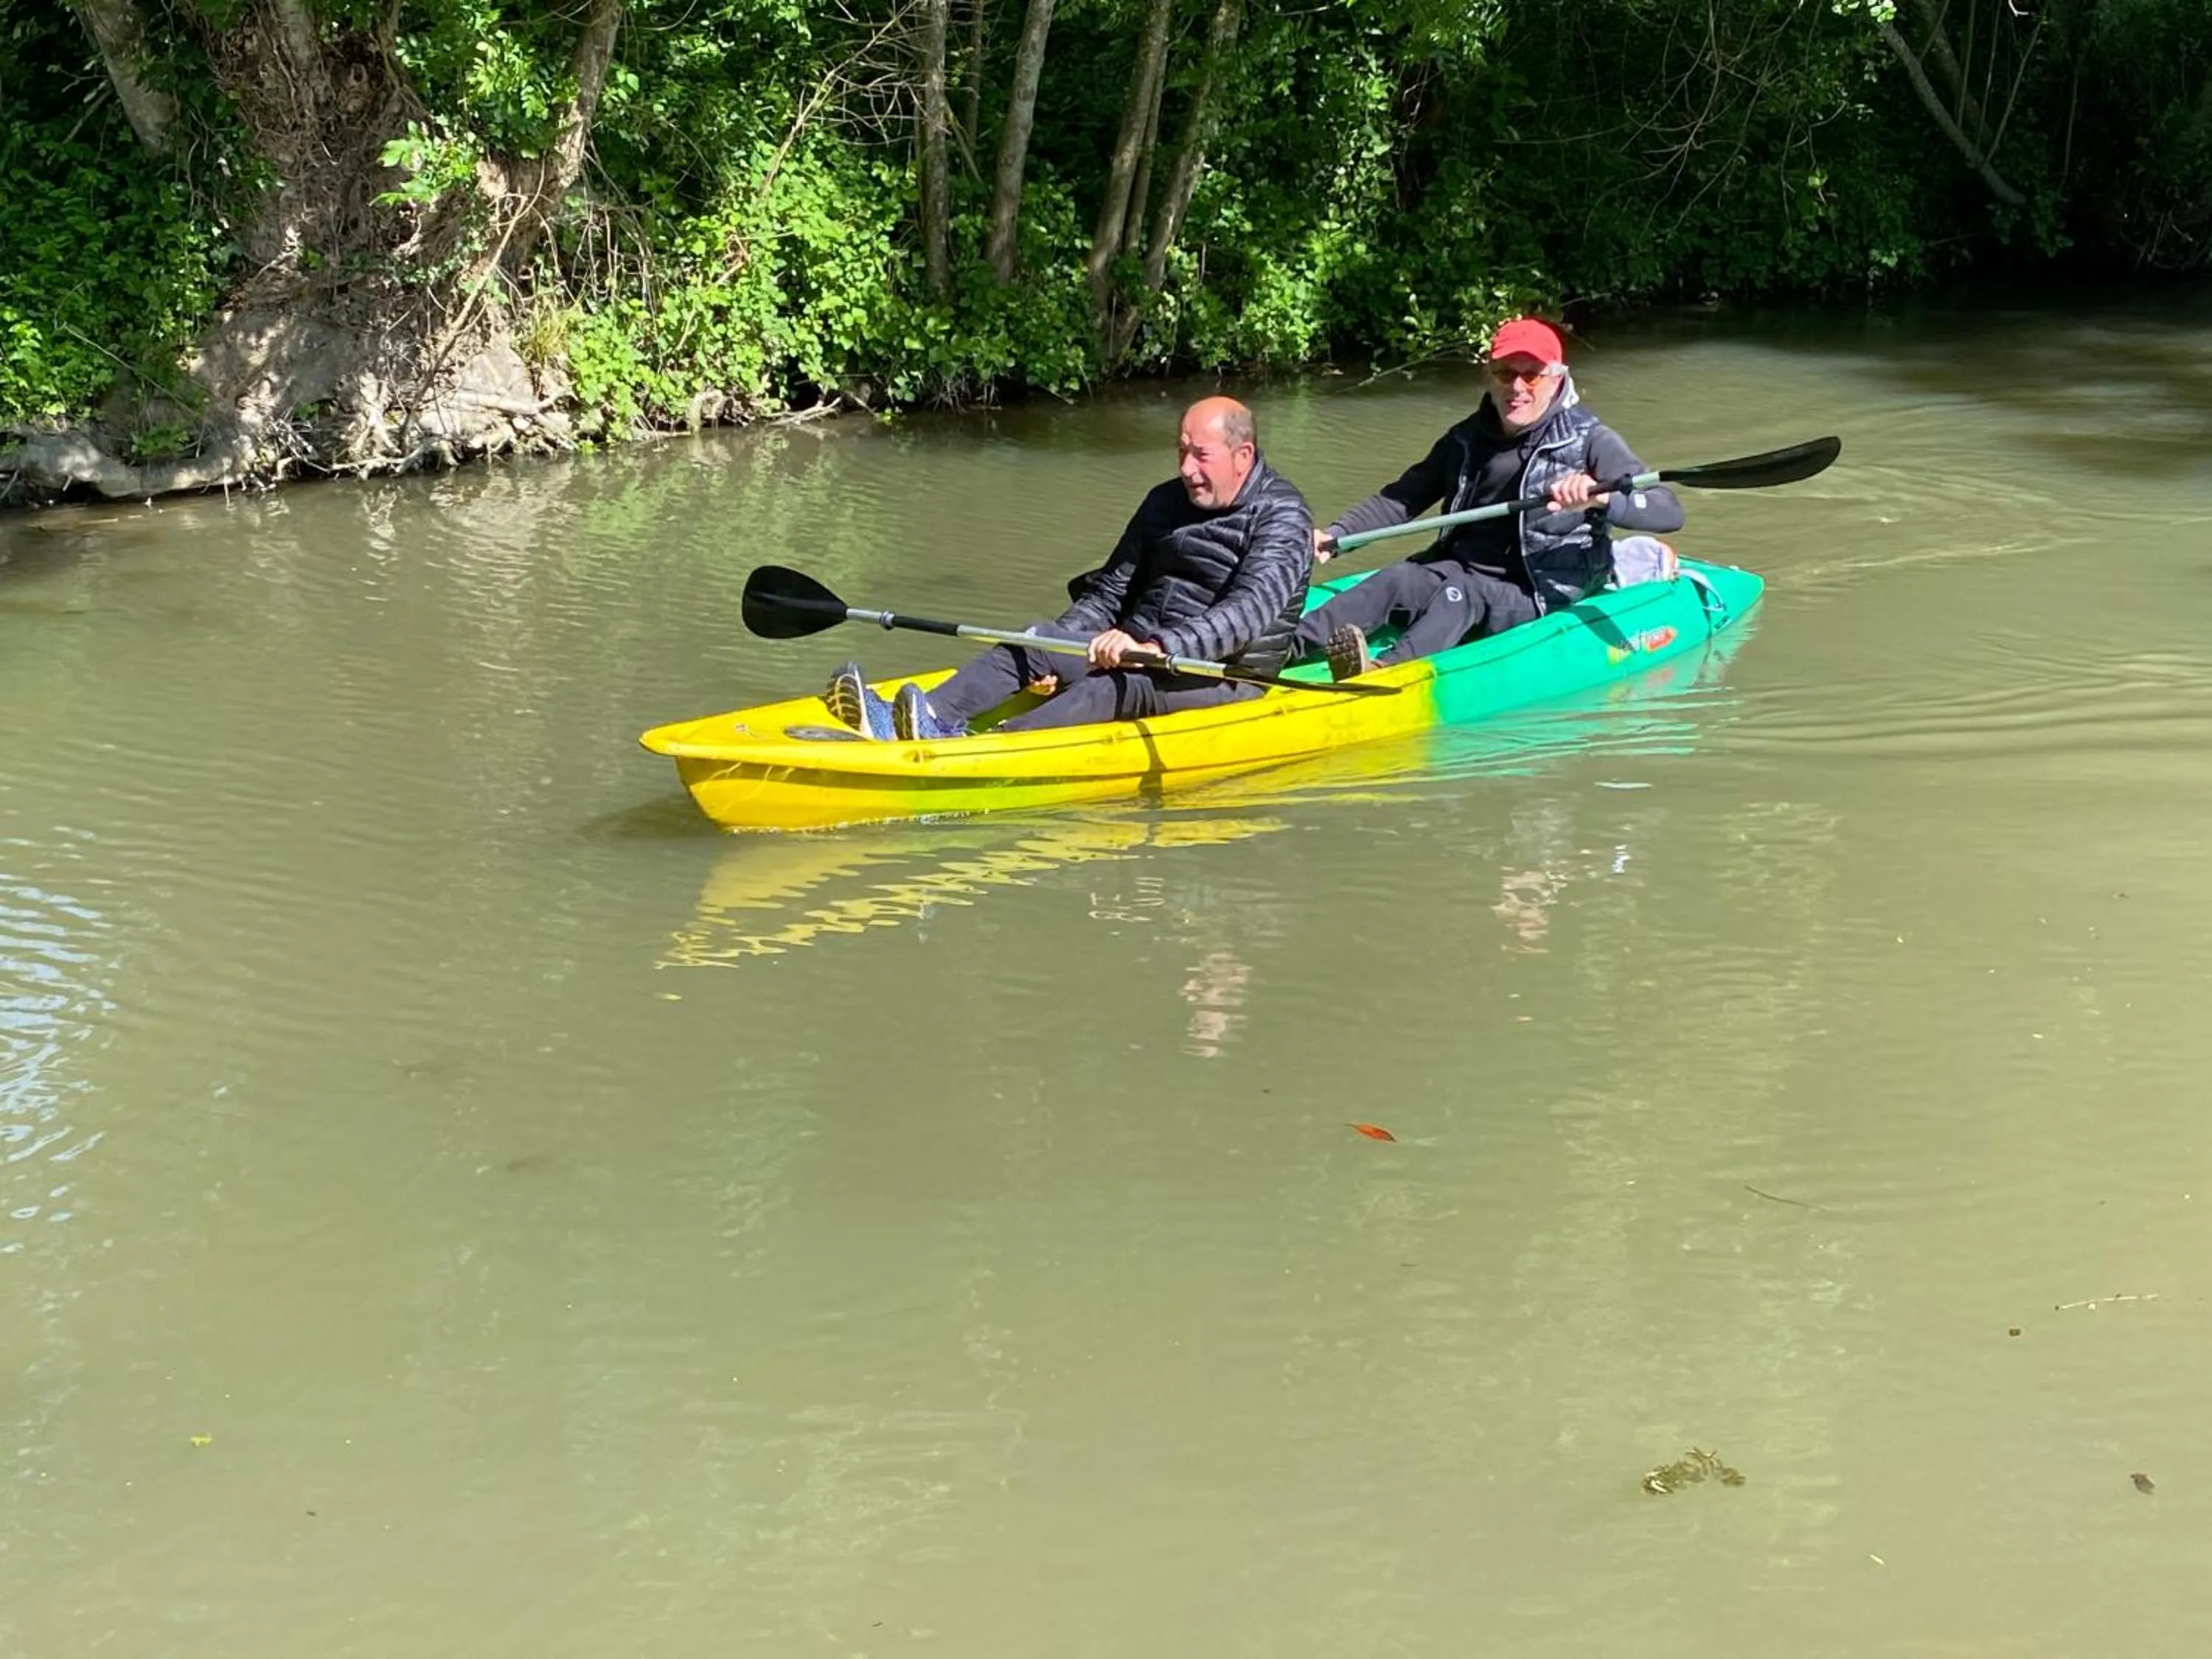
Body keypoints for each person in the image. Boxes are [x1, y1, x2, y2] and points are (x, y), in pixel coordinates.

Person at [819, 396, 1314, 740]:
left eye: (1200, 456)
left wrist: (1154, 647)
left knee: (1116, 687)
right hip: (1136, 648)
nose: (1187, 469)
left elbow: (1249, 613)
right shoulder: (1165, 501)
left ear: (1242, 456)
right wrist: (1058, 647)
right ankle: (928, 714)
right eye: (1181, 452)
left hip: (1225, 674)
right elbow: (1109, 594)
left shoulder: (1284, 516)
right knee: (1037, 638)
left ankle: (990, 750)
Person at [1293, 317, 1683, 680]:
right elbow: (1402, 498)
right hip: (1457, 568)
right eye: (1505, 373)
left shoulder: (1591, 440)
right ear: (1489, 377)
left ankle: (1385, 673)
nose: (1517, 388)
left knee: (1461, 595)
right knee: (1397, 578)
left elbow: (1668, 509)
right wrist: (1337, 536)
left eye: (1532, 375)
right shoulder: (1465, 438)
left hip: (1537, 589)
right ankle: (1281, 649)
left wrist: (1601, 500)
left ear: (1556, 379)